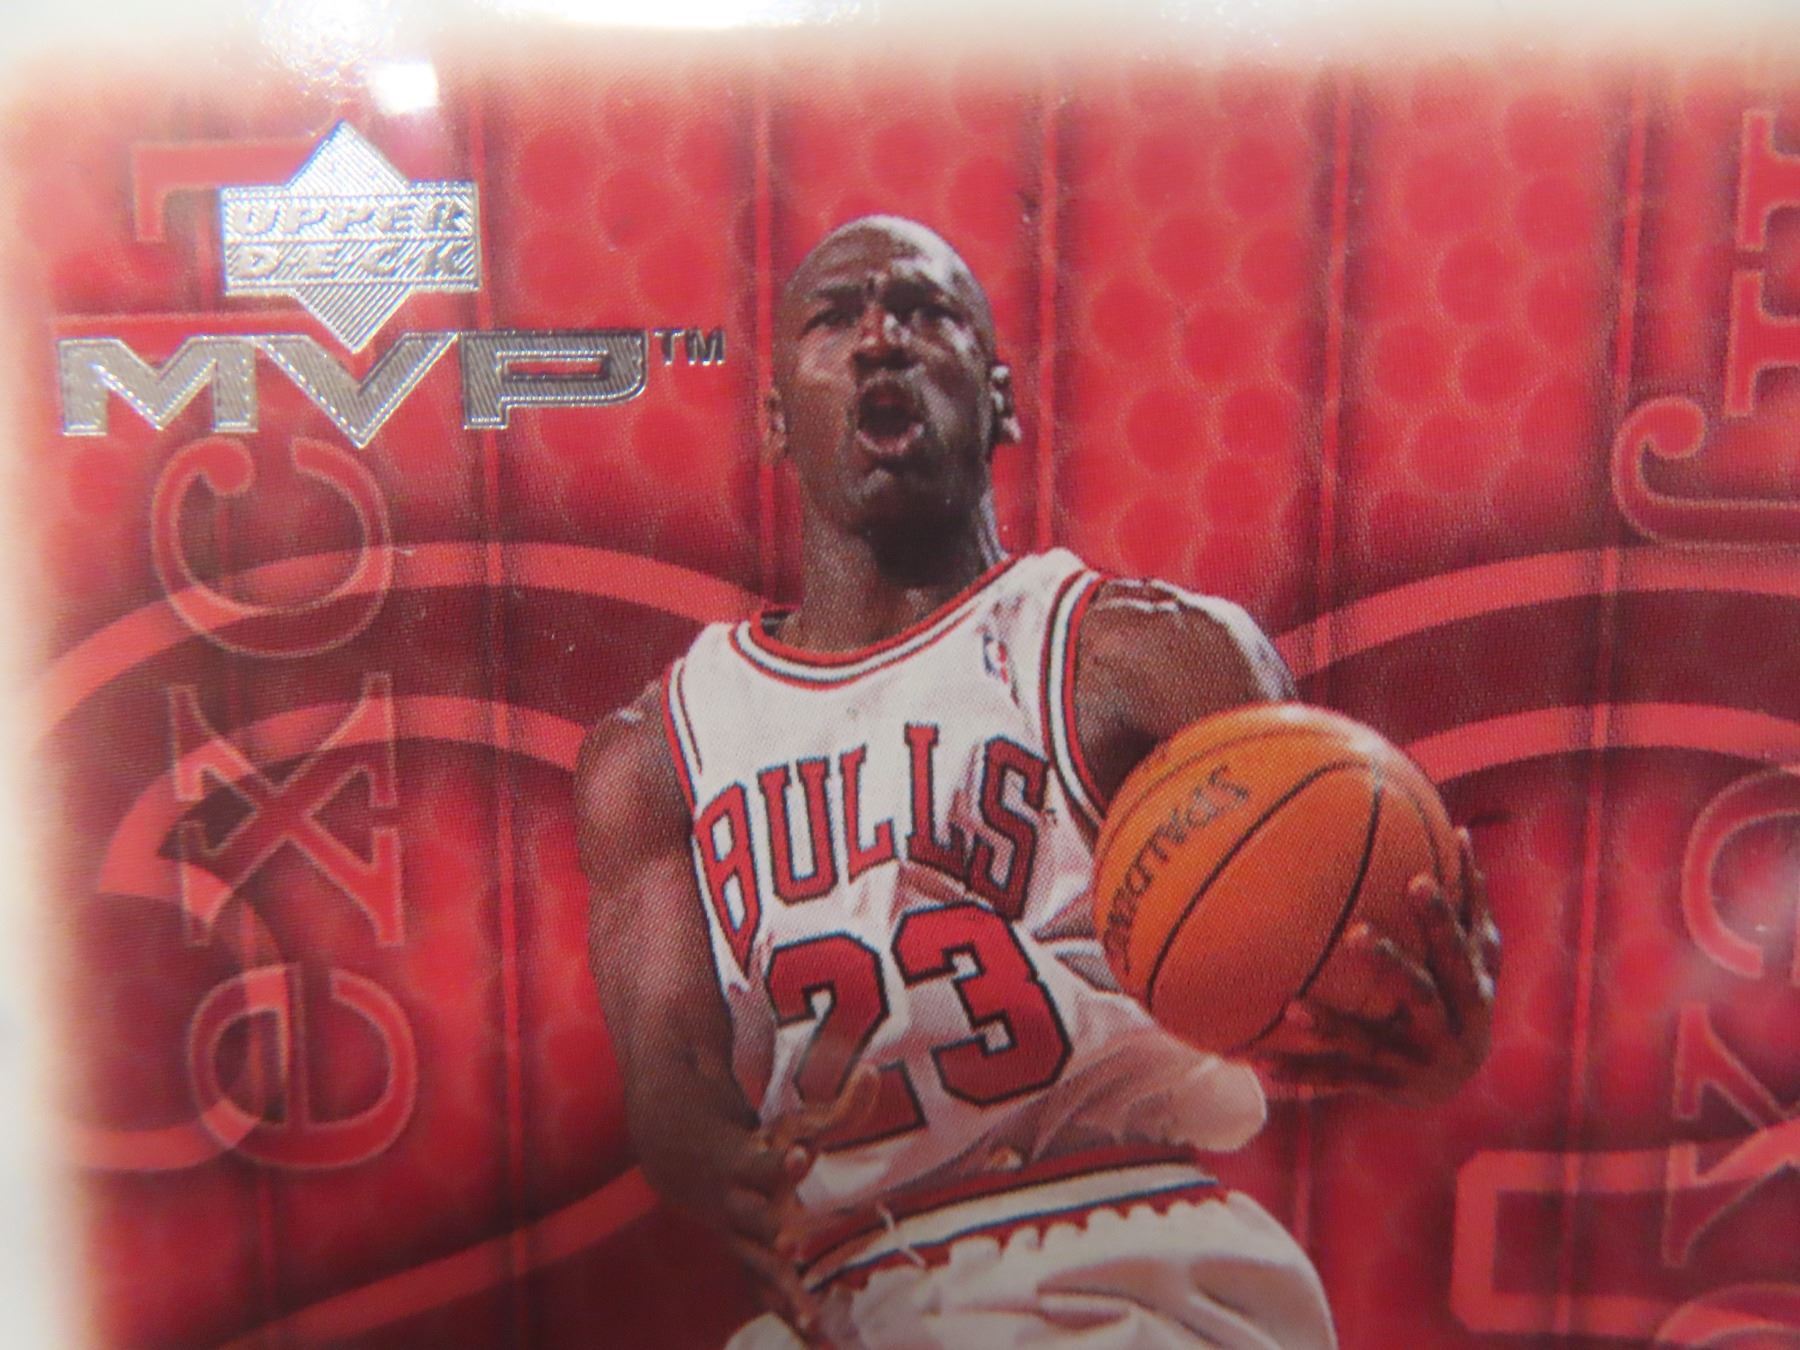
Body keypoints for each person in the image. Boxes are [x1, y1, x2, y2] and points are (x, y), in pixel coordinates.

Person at [574, 215, 1500, 1349]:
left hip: (1116, 1252)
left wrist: (1419, 1032)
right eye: (836, 317)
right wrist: (724, 1167)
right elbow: (669, 1069)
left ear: (1001, 400)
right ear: (774, 419)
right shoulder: (655, 752)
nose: (881, 339)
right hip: (848, 1285)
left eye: (926, 313)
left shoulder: (1143, 653)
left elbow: (1347, 938)